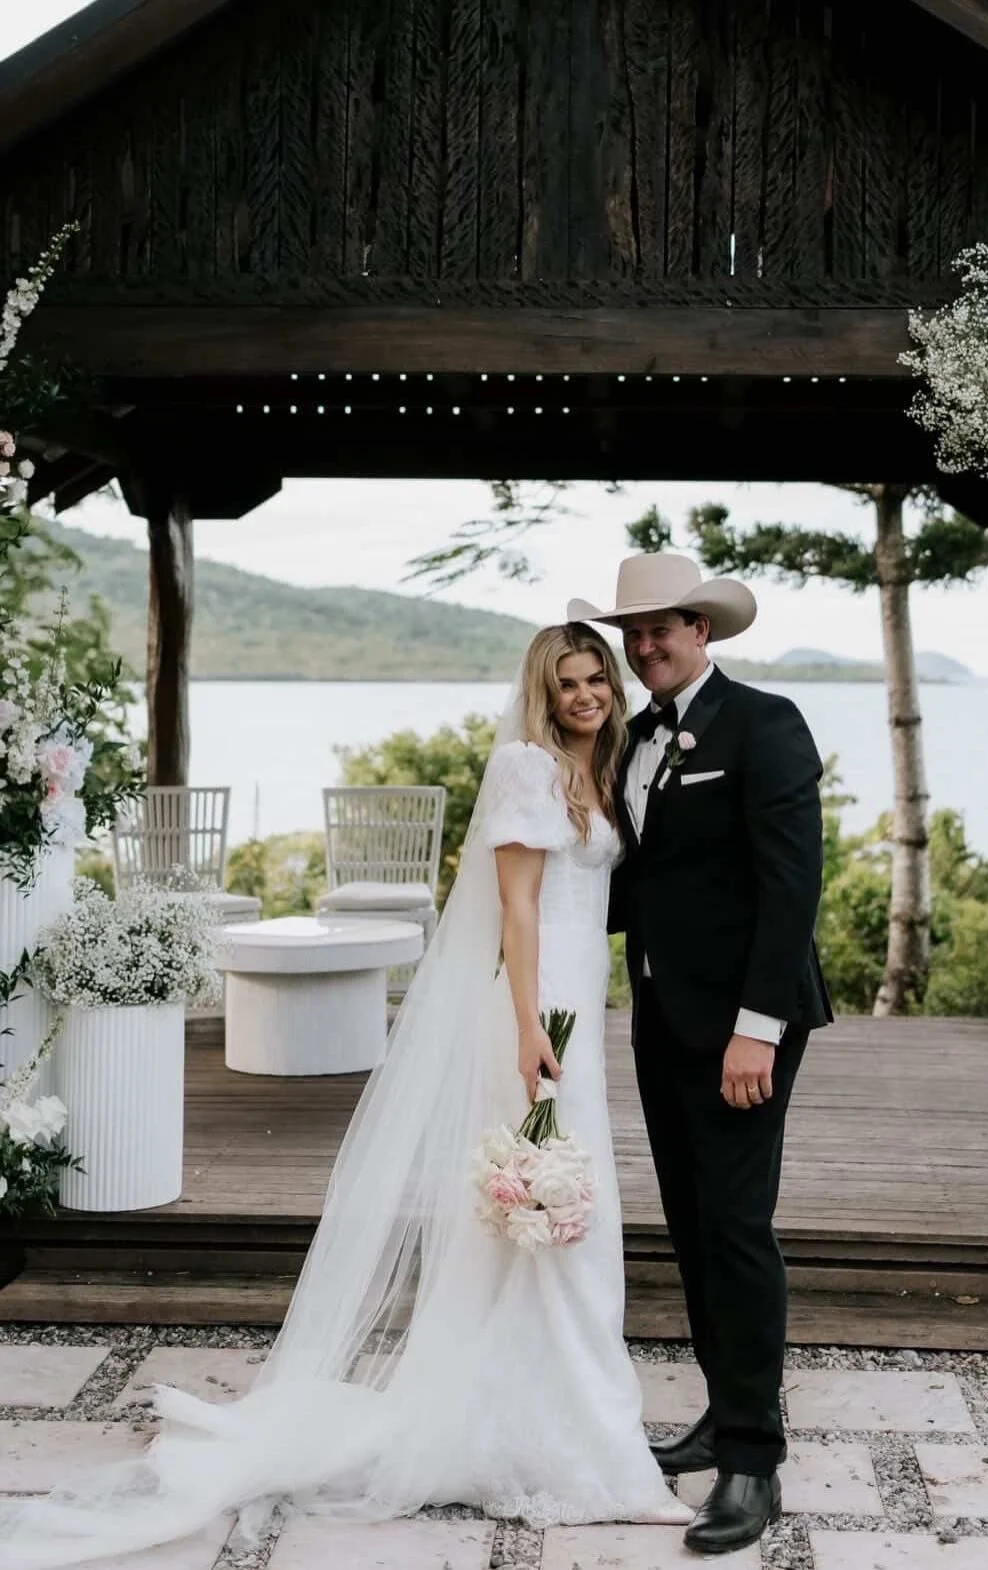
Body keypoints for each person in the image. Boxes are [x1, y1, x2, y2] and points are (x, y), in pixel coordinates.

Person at [0, 622, 690, 1570]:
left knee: (553, 1218)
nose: (587, 695)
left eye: (596, 680)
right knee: (559, 1211)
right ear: (543, 689)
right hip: (544, 1017)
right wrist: (532, 1027)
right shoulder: (529, 770)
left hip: (578, 1009)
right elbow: (520, 908)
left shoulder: (594, 768)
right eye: (569, 683)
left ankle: (535, 1413)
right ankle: (585, 1449)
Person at [570, 553, 832, 1556]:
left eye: (662, 629)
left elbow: (788, 888)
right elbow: (644, 883)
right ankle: (724, 1411)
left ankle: (754, 1461)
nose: (644, 647)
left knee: (733, 1228)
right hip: (658, 1018)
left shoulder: (762, 725)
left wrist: (754, 1031)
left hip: (741, 1028)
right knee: (689, 1224)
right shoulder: (633, 736)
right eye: (632, 633)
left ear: (701, 632)